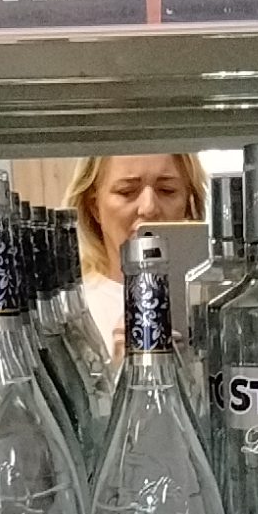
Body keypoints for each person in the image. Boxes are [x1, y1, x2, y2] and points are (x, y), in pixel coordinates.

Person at [66, 154, 207, 363]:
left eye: (167, 190)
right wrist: (118, 371)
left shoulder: (210, 299)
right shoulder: (72, 310)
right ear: (94, 207)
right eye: (127, 192)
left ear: (189, 202)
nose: (149, 208)